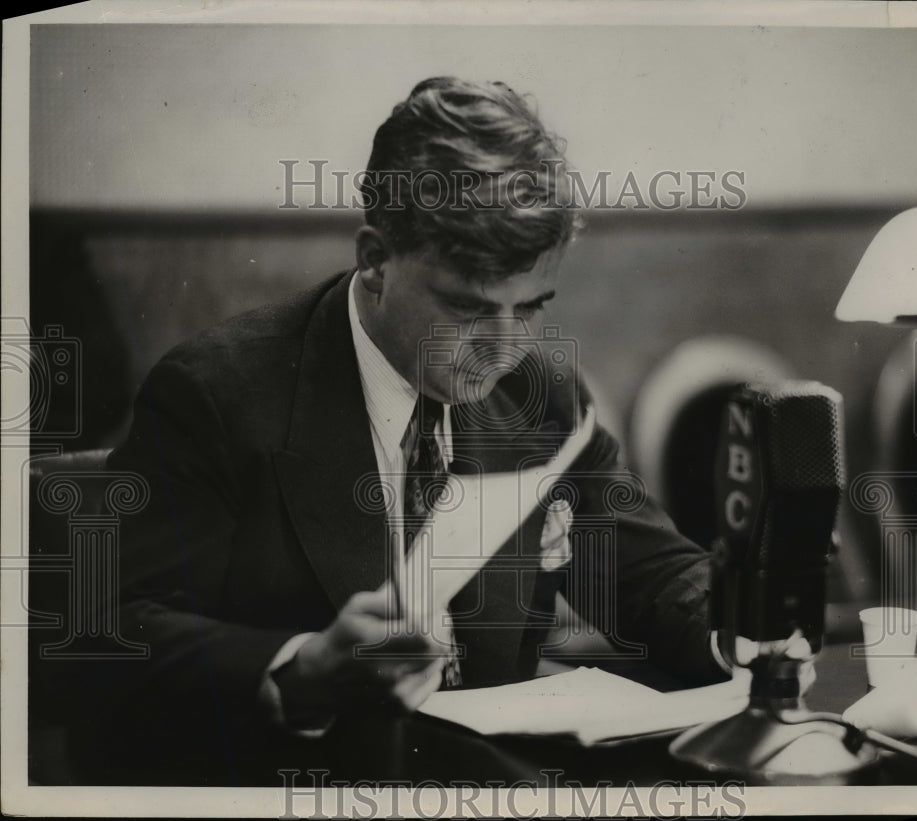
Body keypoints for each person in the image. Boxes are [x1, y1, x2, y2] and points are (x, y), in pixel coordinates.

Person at [84, 77, 728, 785]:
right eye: (469, 308)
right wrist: (301, 668)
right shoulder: (214, 394)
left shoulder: (541, 397)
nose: (505, 348)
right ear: (374, 259)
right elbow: (113, 635)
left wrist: (753, 614)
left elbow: (654, 576)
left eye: (533, 305)